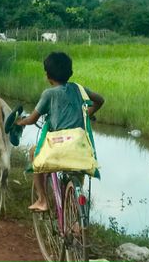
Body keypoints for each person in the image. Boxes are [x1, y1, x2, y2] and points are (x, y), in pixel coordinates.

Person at [15, 51, 105, 212]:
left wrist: (20, 121)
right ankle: (77, 221)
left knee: (33, 153)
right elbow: (100, 100)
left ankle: (42, 200)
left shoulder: (49, 94)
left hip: (57, 146)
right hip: (78, 146)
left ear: (48, 76)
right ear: (70, 73)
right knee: (76, 174)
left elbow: (33, 119)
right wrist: (87, 114)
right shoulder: (78, 89)